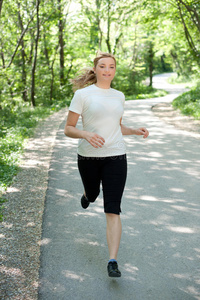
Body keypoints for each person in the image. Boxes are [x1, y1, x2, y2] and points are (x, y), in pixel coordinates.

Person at [64, 51, 149, 278]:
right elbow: (68, 128)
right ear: (96, 69)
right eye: (103, 66)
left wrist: (134, 131)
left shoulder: (119, 96)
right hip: (88, 157)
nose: (107, 70)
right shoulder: (83, 95)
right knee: (92, 196)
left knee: (113, 208)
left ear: (114, 70)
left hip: (116, 157)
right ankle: (87, 194)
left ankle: (113, 260)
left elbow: (117, 126)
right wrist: (85, 134)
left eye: (111, 66)